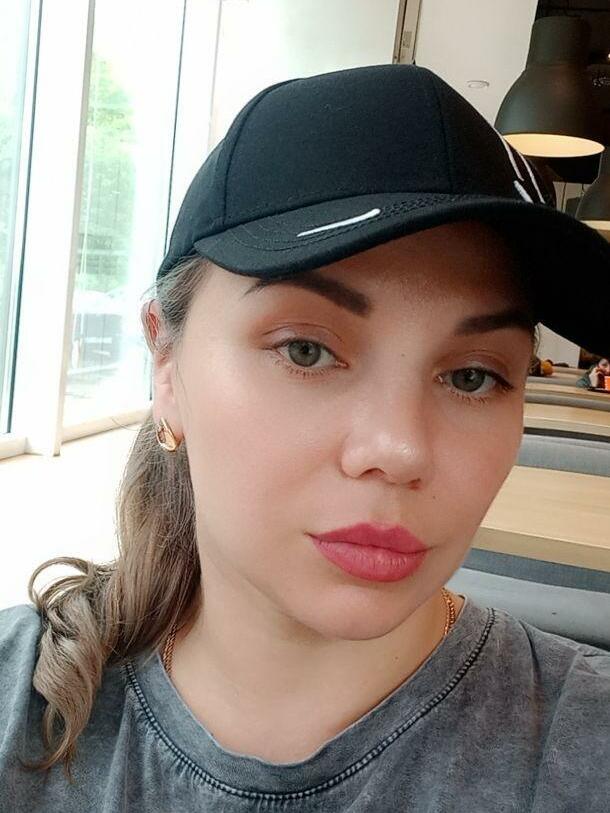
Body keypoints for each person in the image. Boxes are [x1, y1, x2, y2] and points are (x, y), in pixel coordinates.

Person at [1, 64, 609, 812]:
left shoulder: (582, 746)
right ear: (166, 361)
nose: (399, 448)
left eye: (473, 376)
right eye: (307, 350)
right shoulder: (18, 701)